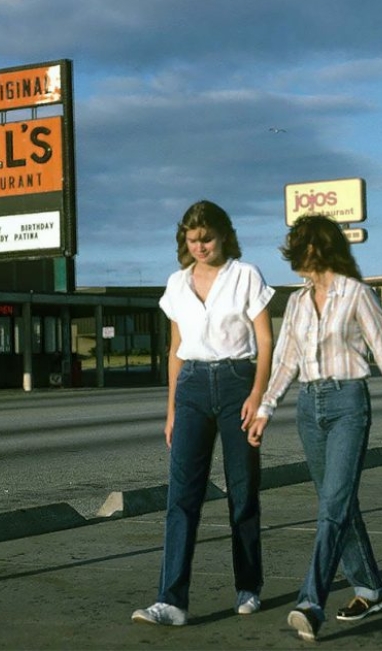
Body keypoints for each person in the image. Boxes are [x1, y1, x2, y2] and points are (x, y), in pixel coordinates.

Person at [245, 214, 382, 642]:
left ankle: (310, 602)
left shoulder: (356, 294)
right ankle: (369, 588)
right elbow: (286, 360)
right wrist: (266, 408)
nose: (293, 258)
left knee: (333, 506)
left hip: (348, 404)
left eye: (299, 249)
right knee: (338, 504)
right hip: (309, 407)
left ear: (317, 248)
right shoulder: (297, 302)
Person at [132, 200, 274, 626]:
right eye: (192, 239)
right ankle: (171, 601)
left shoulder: (245, 275)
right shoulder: (177, 284)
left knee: (242, 491)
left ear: (223, 235)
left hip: (237, 383)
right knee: (181, 497)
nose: (200, 246)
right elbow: (175, 350)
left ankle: (248, 586)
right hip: (192, 386)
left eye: (207, 238)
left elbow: (266, 340)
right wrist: (171, 409)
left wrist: (258, 395)